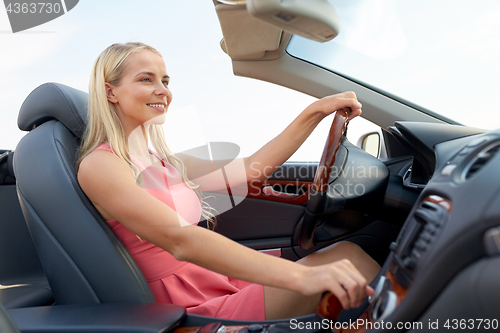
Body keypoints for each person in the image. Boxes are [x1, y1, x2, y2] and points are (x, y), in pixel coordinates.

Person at [77, 42, 380, 321]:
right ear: (110, 92)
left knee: (349, 256)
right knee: (350, 262)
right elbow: (180, 240)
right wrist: (301, 277)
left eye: (165, 81)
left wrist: (315, 111)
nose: (163, 91)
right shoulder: (102, 165)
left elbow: (252, 168)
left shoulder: (165, 160)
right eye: (146, 79)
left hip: (213, 280)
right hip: (189, 310)